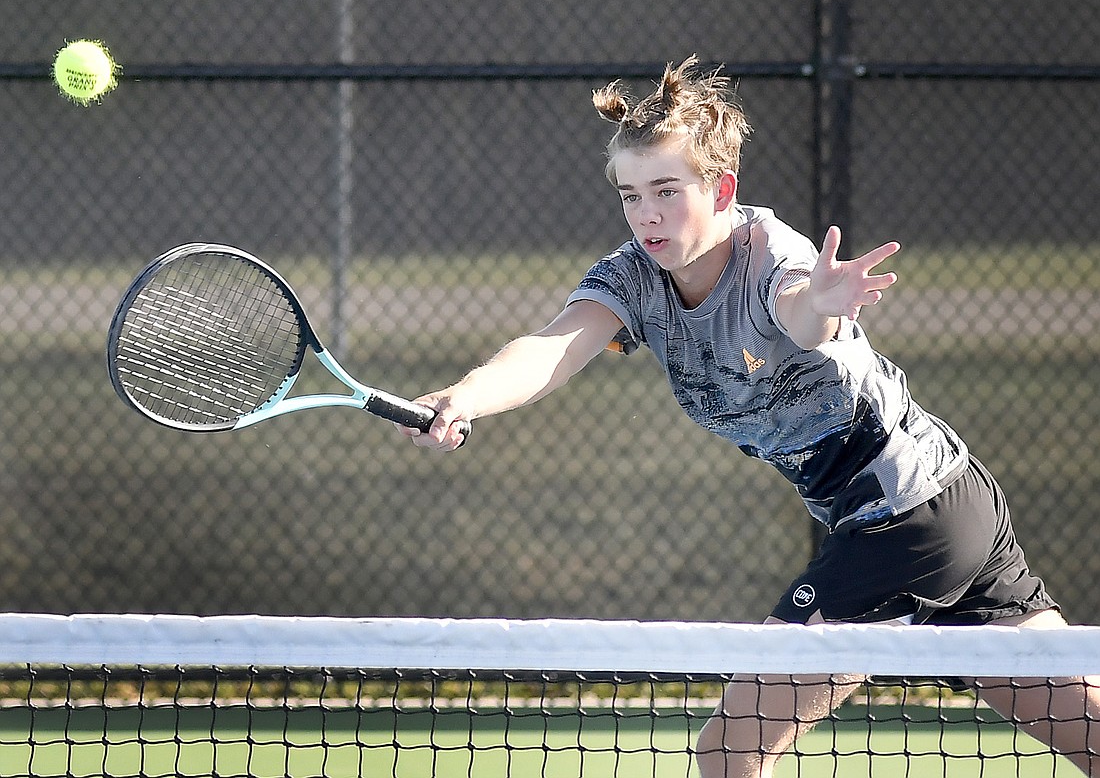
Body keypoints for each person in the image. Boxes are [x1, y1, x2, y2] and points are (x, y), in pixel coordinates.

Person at [396, 56, 1099, 776]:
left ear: (722, 188)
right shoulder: (632, 278)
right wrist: (464, 396)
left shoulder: (772, 254)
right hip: (941, 506)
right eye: (631, 194)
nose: (647, 214)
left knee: (732, 748)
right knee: (1085, 726)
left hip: (909, 517)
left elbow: (798, 312)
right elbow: (551, 348)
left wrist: (821, 304)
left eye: (667, 191)